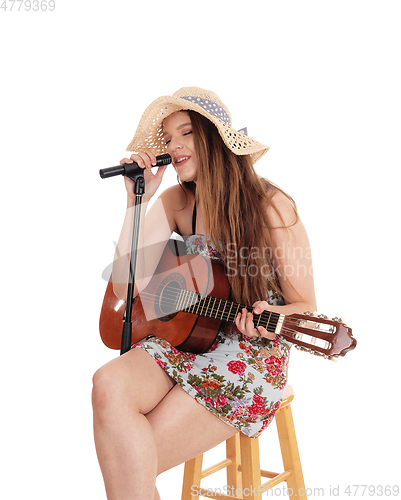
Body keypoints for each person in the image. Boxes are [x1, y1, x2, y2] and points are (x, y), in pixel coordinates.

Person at [92, 87, 317, 500]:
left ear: (216, 138)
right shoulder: (177, 201)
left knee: (127, 460)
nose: (173, 146)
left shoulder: (271, 206)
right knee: (108, 382)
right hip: (187, 341)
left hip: (249, 354)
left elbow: (307, 307)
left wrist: (270, 318)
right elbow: (126, 283)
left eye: (186, 133)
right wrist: (136, 202)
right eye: (167, 139)